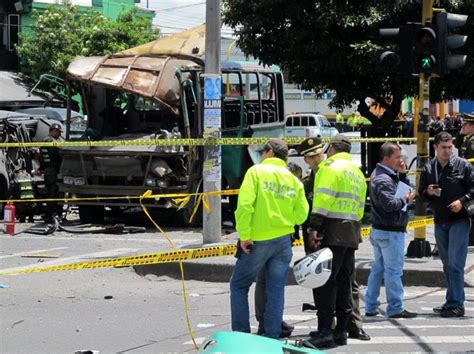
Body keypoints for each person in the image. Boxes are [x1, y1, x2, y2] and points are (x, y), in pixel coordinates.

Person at [230, 139, 309, 339]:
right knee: (276, 289)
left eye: (262, 151)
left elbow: (245, 206)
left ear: (269, 152)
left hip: (257, 240)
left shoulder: (255, 172)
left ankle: (241, 335)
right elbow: (302, 215)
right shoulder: (293, 180)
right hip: (283, 241)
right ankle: (271, 335)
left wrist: (244, 236)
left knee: (239, 285)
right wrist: (283, 218)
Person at [298, 137, 370, 342]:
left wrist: (314, 228)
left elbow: (323, 200)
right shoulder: (356, 172)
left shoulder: (329, 168)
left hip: (331, 230)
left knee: (325, 284)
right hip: (351, 233)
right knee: (344, 283)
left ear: (330, 148)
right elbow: (359, 208)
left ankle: (325, 332)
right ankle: (341, 332)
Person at [419, 132, 473, 318]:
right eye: (444, 147)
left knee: (456, 264)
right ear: (435, 147)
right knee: (447, 264)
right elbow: (422, 195)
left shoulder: (463, 165)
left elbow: (473, 189)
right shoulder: (428, 168)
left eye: (450, 147)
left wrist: (462, 201)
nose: (448, 151)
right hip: (439, 221)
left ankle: (457, 304)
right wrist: (429, 192)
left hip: (459, 220)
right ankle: (451, 301)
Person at [364, 143, 417, 319]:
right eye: (397, 158)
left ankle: (371, 305)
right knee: (393, 270)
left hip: (383, 231)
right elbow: (390, 205)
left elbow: (403, 190)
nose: (401, 161)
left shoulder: (387, 175)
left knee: (378, 268)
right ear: (386, 159)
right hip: (390, 232)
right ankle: (395, 307)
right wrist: (406, 200)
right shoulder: (382, 179)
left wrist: (403, 175)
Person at [455, 113, 474, 246]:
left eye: (465, 125)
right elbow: (457, 146)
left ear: (472, 126)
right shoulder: (468, 138)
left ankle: (471, 238)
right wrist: (461, 134)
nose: (463, 126)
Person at [39, 123, 63, 223]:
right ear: (54, 131)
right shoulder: (50, 141)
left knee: (52, 193)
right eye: (58, 132)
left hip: (49, 170)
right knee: (53, 193)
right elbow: (58, 152)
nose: (59, 134)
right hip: (52, 170)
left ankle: (51, 215)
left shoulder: (47, 140)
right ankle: (50, 215)